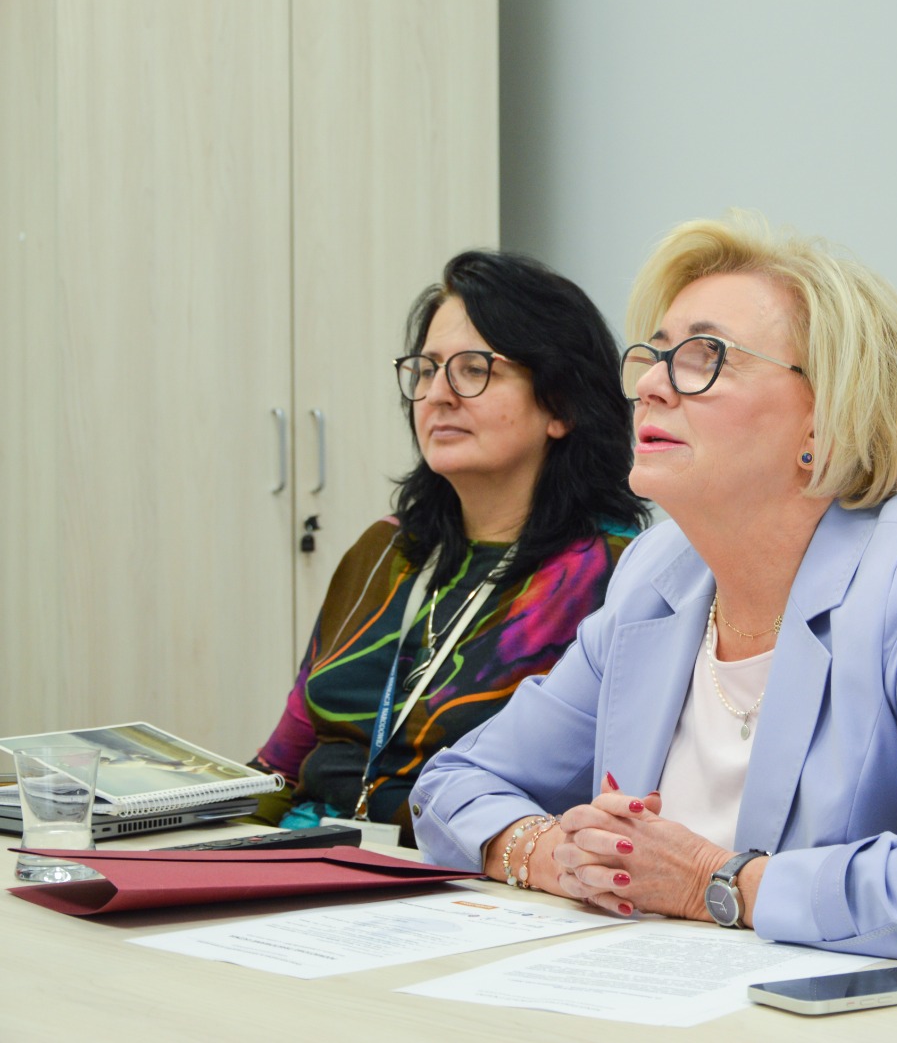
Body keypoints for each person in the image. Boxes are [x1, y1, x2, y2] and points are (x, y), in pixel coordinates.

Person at [411, 216, 897, 985]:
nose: (650, 385)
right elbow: (454, 781)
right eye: (654, 354)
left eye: (703, 357)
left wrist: (710, 882)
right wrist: (557, 855)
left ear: (825, 414)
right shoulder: (657, 579)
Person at [250, 250, 649, 844]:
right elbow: (282, 761)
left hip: (460, 866)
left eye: (473, 369)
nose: (437, 393)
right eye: (427, 369)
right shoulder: (385, 551)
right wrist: (197, 833)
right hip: (308, 845)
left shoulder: (613, 575)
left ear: (561, 404)